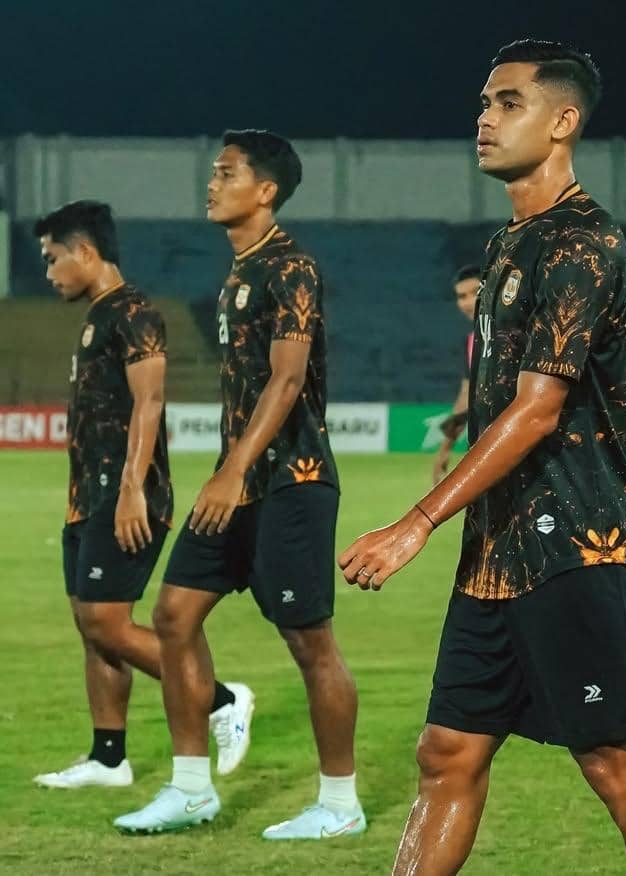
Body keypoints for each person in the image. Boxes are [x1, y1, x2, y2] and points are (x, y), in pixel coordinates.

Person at [339, 40, 626, 876]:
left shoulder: (582, 242)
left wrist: (417, 521)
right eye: (483, 103)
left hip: (581, 545)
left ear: (562, 120)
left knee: (620, 767)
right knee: (446, 754)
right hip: (497, 554)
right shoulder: (507, 246)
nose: (484, 118)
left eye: (507, 103)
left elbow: (537, 411)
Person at [115, 130, 365, 839]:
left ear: (266, 191)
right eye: (212, 172)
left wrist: (229, 470)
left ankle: (339, 804)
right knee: (172, 616)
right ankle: (192, 789)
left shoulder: (292, 268)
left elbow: (288, 380)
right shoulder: (236, 275)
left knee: (308, 641)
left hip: (293, 481)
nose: (211, 183)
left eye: (226, 173)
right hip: (239, 485)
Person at [31, 200, 251, 791]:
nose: (48, 272)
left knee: (107, 622)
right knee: (91, 624)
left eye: (53, 259)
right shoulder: (97, 316)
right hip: (88, 498)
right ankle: (109, 758)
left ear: (85, 251)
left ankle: (223, 700)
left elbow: (150, 404)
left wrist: (130, 491)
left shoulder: (134, 312)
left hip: (127, 497)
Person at [432, 264, 481, 485]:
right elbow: (465, 396)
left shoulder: (514, 331)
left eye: (475, 292)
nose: (468, 302)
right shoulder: (472, 342)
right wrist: (445, 448)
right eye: (462, 296)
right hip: (485, 446)